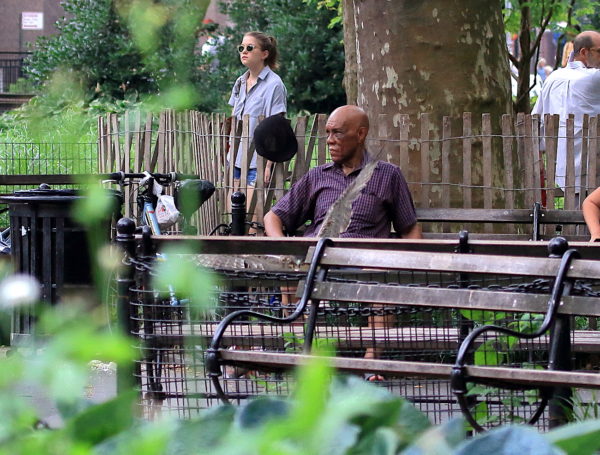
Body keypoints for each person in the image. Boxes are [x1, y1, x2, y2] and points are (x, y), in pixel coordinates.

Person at [264, 105, 422, 380]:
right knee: (288, 273)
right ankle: (305, 356)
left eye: (338, 133)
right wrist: (282, 248)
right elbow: (273, 216)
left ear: (361, 134)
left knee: (383, 278)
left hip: (365, 262)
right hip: (317, 259)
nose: (330, 140)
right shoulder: (317, 176)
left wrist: (407, 259)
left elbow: (409, 227)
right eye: (327, 133)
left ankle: (372, 361)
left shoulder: (388, 175)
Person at [532, 31, 600, 194]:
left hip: (561, 167)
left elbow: (535, 118)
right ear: (584, 52)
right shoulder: (592, 78)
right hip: (592, 168)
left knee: (573, 215)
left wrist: (539, 158)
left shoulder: (553, 78)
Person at [228, 31, 287, 200]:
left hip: (257, 162)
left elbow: (277, 127)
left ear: (264, 54)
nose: (243, 51)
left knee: (251, 218)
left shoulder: (274, 85)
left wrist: (268, 165)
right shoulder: (240, 82)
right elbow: (234, 120)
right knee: (231, 214)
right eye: (241, 47)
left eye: (249, 47)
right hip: (235, 160)